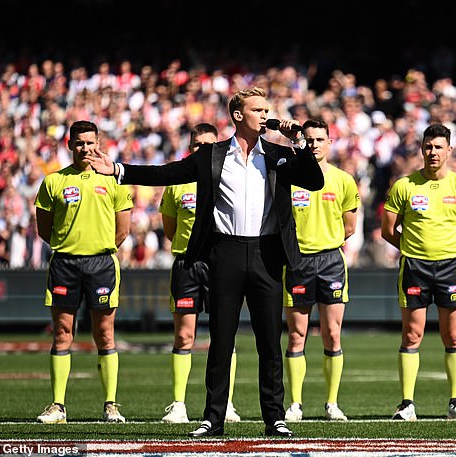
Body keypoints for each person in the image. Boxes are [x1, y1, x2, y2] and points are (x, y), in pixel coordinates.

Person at [87, 87, 324, 437]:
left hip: (267, 254)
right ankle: (213, 418)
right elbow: (169, 173)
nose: (265, 114)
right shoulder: (213, 155)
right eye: (257, 109)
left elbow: (314, 181)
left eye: (266, 109)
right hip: (224, 252)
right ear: (238, 116)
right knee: (221, 338)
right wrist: (120, 169)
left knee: (270, 342)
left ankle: (274, 417)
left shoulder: (278, 154)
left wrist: (299, 141)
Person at [34, 120, 133, 424]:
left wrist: (96, 246)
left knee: (104, 333)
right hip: (65, 264)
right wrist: (71, 245)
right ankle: (57, 406)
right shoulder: (54, 182)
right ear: (70, 145)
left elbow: (122, 230)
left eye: (90, 142)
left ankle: (111, 405)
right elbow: (44, 229)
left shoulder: (114, 179)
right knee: (63, 333)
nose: (85, 148)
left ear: (98, 143)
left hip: (102, 264)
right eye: (79, 143)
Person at [381, 123, 456, 421]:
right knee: (412, 334)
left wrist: (445, 247)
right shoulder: (404, 186)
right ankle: (407, 404)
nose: (433, 152)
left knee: (453, 335)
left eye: (439, 147)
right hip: (414, 267)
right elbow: (388, 230)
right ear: (421, 149)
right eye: (428, 146)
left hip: (450, 266)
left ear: (449, 150)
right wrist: (415, 247)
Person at [159, 123, 241, 424]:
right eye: (197, 145)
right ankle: (178, 403)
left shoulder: (229, 179)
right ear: (189, 148)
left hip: (222, 263)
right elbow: (171, 229)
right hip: (187, 264)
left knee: (224, 335)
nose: (203, 150)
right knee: (184, 335)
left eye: (209, 145)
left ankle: (226, 402)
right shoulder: (177, 183)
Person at [282, 119, 359, 422]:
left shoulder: (343, 180)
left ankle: (331, 403)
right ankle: (295, 404)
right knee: (297, 336)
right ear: (301, 142)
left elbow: (349, 226)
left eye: (319, 139)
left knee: (332, 334)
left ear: (329, 143)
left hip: (330, 262)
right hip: (298, 262)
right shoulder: (290, 176)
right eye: (309, 139)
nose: (313, 144)